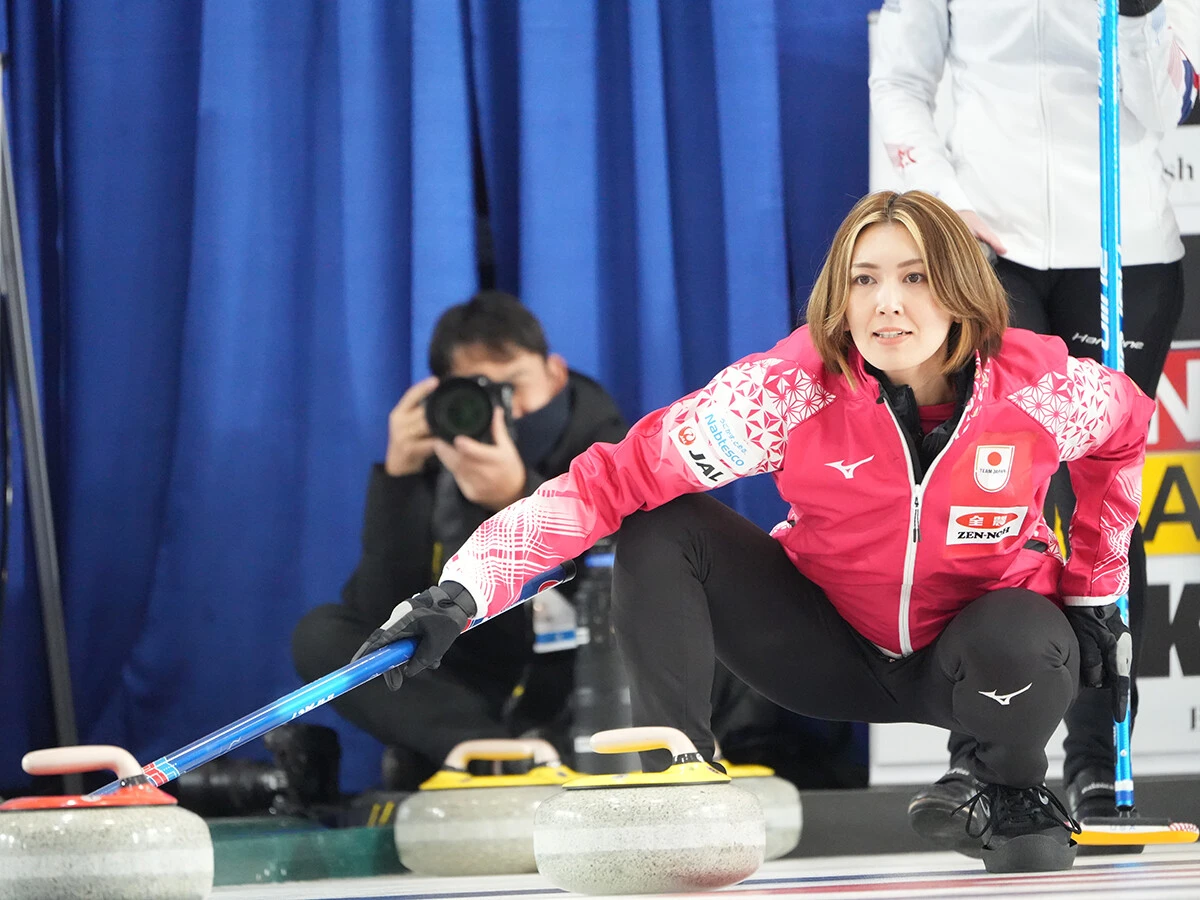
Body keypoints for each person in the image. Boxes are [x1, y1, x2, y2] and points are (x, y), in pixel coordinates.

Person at [350, 191, 1155, 873]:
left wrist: (1092, 591)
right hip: (823, 648)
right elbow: (611, 479)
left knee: (1031, 806)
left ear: (962, 289)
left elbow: (1126, 437)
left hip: (975, 654)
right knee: (659, 518)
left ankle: (999, 783)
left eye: (915, 278)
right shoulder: (784, 393)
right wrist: (462, 589)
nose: (886, 303)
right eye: (863, 279)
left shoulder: (1042, 385)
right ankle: (678, 773)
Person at [868, 0, 1198, 841]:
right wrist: (938, 204)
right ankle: (989, 752)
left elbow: (1176, 110)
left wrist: (1140, 20)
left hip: (1126, 248)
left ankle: (1097, 764)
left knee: (1104, 493)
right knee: (996, 482)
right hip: (987, 247)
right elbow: (901, 80)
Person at [291, 291, 628, 788]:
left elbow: (632, 589)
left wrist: (520, 496)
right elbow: (381, 612)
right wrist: (398, 481)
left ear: (555, 375)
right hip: (474, 686)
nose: (498, 410)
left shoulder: (604, 449)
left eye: (511, 386)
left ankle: (492, 759)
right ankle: (495, 755)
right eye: (478, 391)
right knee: (323, 635)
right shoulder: (440, 454)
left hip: (592, 675)